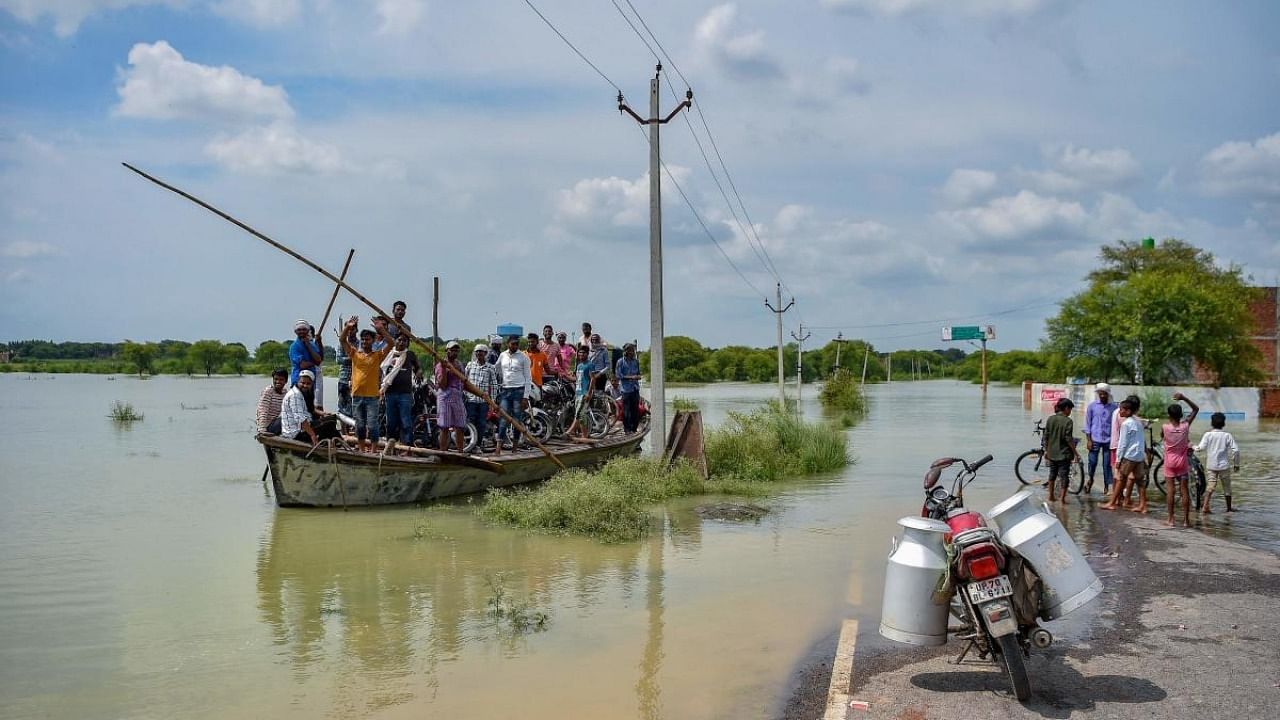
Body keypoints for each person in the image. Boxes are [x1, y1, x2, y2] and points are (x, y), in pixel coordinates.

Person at [340, 316, 392, 453]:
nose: (364, 341)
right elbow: (342, 340)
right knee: (360, 425)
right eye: (362, 339)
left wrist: (381, 330)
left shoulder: (377, 355)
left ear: (373, 340)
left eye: (367, 339)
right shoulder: (355, 354)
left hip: (372, 397)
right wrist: (348, 327)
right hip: (357, 396)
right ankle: (362, 450)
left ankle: (373, 451)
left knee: (373, 425)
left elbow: (391, 343)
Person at [1162, 392, 1200, 527]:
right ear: (1181, 415)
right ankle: (1186, 521)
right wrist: (1184, 398)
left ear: (1169, 415)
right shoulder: (1185, 426)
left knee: (1170, 491)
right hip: (1182, 462)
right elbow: (1196, 409)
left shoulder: (1165, 428)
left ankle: (1171, 520)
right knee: (1184, 492)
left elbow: (1163, 438)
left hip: (1169, 463)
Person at [1102, 398, 1145, 512]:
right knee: (1140, 481)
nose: (1119, 412)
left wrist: (1118, 459)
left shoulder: (1126, 424)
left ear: (1128, 411)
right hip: (1139, 455)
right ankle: (1142, 505)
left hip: (1129, 456)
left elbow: (1122, 443)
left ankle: (1112, 502)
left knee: (1121, 479)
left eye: (1121, 410)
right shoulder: (1138, 422)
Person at [379, 334, 421, 451]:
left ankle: (407, 447)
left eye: (405, 340)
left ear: (407, 343)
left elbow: (418, 367)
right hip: (390, 393)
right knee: (391, 421)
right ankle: (390, 446)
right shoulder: (388, 354)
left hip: (405, 394)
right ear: (395, 341)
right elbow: (381, 371)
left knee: (406, 421)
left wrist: (418, 373)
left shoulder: (410, 355)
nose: (402, 342)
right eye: (400, 340)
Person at [1196, 412, 1240, 514]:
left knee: (1210, 486)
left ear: (1211, 423)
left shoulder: (1208, 435)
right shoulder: (1227, 435)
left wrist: (1192, 446)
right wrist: (1236, 464)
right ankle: (1228, 508)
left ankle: (1205, 506)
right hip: (1224, 465)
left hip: (1211, 465)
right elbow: (1236, 450)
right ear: (1224, 423)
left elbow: (1200, 448)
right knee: (1227, 487)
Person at [495, 335, 532, 453]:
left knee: (517, 420)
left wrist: (525, 397)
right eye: (513, 344)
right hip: (506, 390)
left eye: (517, 344)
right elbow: (498, 369)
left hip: (518, 391)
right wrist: (503, 380)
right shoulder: (503, 355)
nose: (515, 346)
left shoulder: (523, 357)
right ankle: (498, 449)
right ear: (508, 344)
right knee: (503, 419)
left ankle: (515, 448)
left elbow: (528, 377)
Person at [1083, 383, 1117, 494]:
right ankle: (1091, 479)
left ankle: (1107, 486)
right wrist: (1088, 440)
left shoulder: (1114, 408)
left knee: (1107, 465)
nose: (1102, 396)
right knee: (1092, 462)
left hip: (1108, 440)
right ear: (1098, 394)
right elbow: (1087, 424)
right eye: (1100, 393)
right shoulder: (1092, 406)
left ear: (1108, 394)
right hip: (1094, 439)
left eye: (1104, 393)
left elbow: (1117, 425)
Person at [465, 343, 500, 452]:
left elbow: (494, 385)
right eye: (477, 351)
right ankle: (469, 444)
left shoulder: (490, 367)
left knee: (481, 423)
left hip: (483, 401)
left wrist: (492, 401)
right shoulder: (470, 365)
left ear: (486, 354)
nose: (479, 353)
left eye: (482, 351)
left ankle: (477, 445)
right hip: (470, 400)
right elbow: (464, 381)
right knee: (470, 422)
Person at [435, 341, 468, 452]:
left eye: (456, 350)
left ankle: (460, 452)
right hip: (445, 397)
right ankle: (443, 451)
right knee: (444, 427)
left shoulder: (459, 365)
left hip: (458, 397)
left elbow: (464, 383)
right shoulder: (440, 365)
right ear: (447, 351)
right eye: (452, 350)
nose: (454, 352)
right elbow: (442, 385)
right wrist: (444, 369)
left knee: (460, 426)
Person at [1044, 398, 1079, 503]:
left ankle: (1051, 496)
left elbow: (1046, 436)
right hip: (1064, 454)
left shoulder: (1050, 419)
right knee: (1064, 476)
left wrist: (1046, 450)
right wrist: (1075, 453)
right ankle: (1062, 499)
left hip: (1052, 453)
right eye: (1070, 410)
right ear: (1066, 408)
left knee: (1052, 475)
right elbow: (1068, 439)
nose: (1070, 412)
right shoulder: (1068, 421)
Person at [289, 319, 325, 411]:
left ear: (308, 330)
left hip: (310, 382)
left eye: (304, 329)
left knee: (309, 406)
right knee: (299, 406)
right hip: (299, 381)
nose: (301, 332)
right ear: (295, 331)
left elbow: (319, 360)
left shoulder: (312, 344)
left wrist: (308, 345)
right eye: (299, 330)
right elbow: (302, 365)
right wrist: (313, 362)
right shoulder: (294, 346)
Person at [280, 370, 319, 445]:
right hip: (295, 434)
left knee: (327, 421)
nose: (305, 385)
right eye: (302, 383)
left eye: (308, 384)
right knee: (328, 426)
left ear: (312, 384)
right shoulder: (295, 395)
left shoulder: (300, 393)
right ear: (298, 381)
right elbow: (300, 419)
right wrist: (312, 435)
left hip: (298, 430)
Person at [567, 345, 595, 438]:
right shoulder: (579, 365)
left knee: (579, 413)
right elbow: (577, 379)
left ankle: (570, 431)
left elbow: (592, 379)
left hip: (584, 393)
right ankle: (584, 435)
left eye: (583, 353)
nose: (581, 354)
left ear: (587, 354)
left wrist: (588, 392)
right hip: (578, 393)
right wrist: (565, 376)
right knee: (581, 415)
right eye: (580, 352)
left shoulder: (589, 364)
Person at [616, 343, 642, 433]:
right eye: (629, 350)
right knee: (626, 410)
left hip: (635, 388)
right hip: (625, 390)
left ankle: (634, 428)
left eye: (632, 350)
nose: (631, 352)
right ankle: (627, 429)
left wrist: (637, 377)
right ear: (625, 351)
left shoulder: (636, 361)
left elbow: (639, 374)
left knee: (635, 410)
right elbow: (618, 375)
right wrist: (631, 377)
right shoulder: (620, 362)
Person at [256, 368, 289, 435]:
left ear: (286, 381)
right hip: (267, 426)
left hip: (275, 422)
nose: (278, 382)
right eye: (276, 379)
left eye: (281, 380)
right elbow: (263, 410)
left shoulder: (285, 393)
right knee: (285, 419)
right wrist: (262, 429)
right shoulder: (268, 391)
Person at [334, 319, 354, 417]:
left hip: (356, 379)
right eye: (349, 329)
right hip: (344, 378)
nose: (351, 331)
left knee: (354, 405)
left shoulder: (360, 343)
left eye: (353, 328)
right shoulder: (341, 344)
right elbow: (338, 360)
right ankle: (343, 429)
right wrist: (352, 358)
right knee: (342, 404)